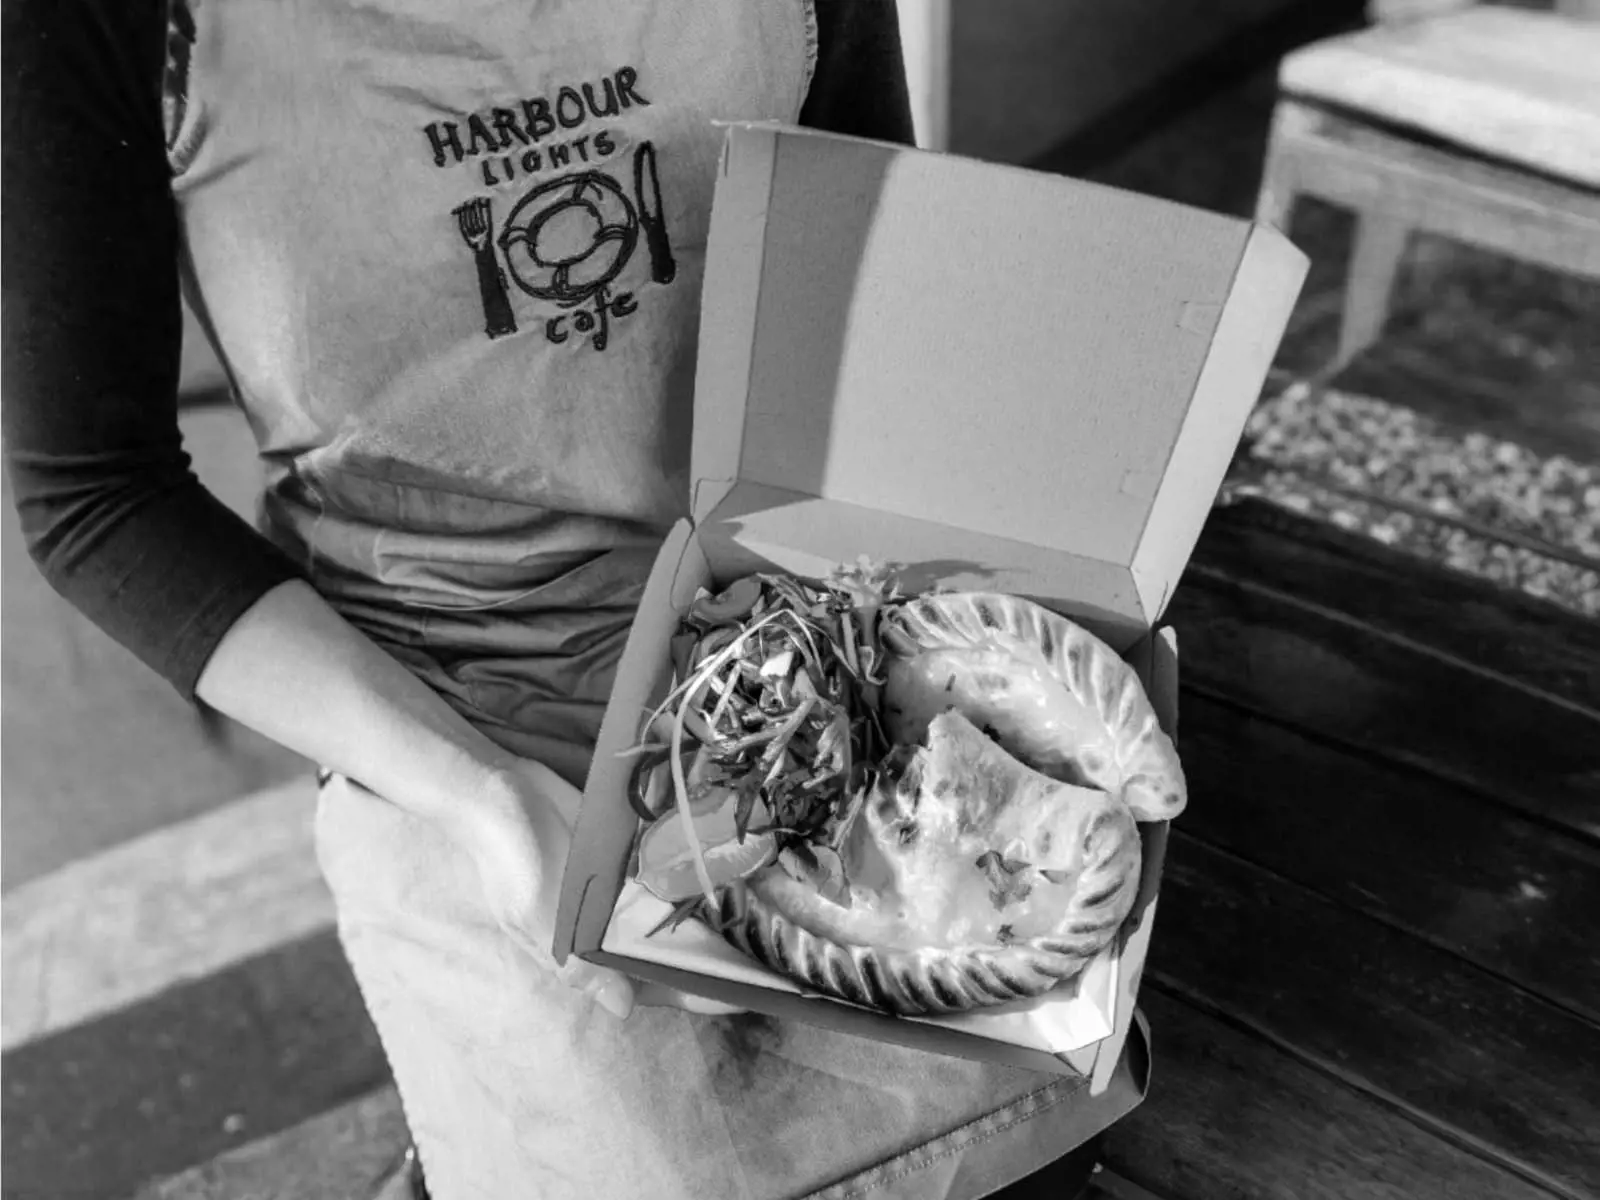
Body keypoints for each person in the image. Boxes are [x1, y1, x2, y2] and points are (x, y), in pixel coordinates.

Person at [3, 1, 1119, 1196]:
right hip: (439, 695)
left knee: (1040, 1096)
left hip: (805, 632)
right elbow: (97, 498)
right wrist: (480, 803)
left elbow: (879, 280)